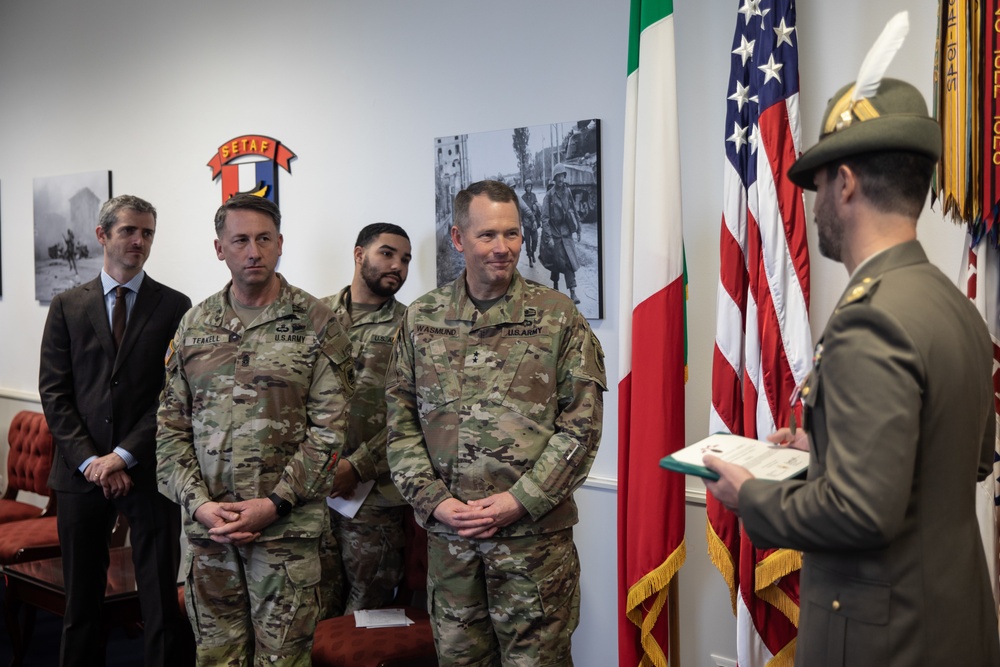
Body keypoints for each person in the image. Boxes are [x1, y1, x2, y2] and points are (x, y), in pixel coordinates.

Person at [704, 78, 1000, 667]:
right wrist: (827, 447)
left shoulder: (872, 319)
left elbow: (863, 512)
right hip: (952, 625)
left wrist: (752, 496)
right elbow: (969, 458)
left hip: (882, 641)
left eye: (816, 186)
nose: (814, 207)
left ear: (845, 183)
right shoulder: (952, 306)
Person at [386, 180, 606, 666]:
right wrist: (436, 502)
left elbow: (581, 428)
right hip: (451, 546)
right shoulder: (423, 319)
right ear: (459, 239)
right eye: (487, 235)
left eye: (513, 234)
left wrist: (519, 501)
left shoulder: (558, 316)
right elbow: (400, 424)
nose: (503, 248)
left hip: (532, 549)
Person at [156, 193, 356, 666]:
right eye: (240, 240)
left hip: (285, 538)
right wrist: (199, 505)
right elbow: (169, 430)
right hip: (210, 538)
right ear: (219, 247)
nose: (253, 251)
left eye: (264, 239)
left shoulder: (318, 324)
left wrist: (275, 503)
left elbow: (330, 432)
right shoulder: (194, 326)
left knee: (283, 661)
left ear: (280, 243)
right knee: (217, 658)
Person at [39, 194, 191, 667]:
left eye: (147, 233)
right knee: (81, 605)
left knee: (161, 603)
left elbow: (171, 396)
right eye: (129, 230)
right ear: (102, 235)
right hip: (80, 477)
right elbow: (55, 393)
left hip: (146, 473)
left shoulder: (174, 306)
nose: (139, 241)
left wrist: (122, 456)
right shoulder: (67, 305)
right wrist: (93, 462)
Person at [319, 222, 412, 615]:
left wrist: (356, 468)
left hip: (376, 500)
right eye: (387, 253)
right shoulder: (315, 315)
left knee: (366, 616)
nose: (398, 266)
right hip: (313, 494)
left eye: (405, 259)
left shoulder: (414, 326)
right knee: (311, 609)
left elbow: (417, 414)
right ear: (359, 255)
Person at [540, 163, 582, 303]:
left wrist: (579, 229)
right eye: (558, 176)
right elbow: (544, 219)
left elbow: (574, 210)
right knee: (557, 263)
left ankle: (573, 292)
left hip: (566, 233)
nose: (561, 179)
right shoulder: (549, 196)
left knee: (569, 262)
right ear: (554, 178)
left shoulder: (568, 191)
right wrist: (549, 238)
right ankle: (555, 284)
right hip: (555, 234)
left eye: (562, 176)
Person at [520, 179, 541, 267]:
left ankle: (533, 253)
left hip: (533, 223)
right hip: (526, 224)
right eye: (527, 186)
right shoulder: (523, 198)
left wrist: (537, 206)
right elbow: (521, 210)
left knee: (535, 240)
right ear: (525, 188)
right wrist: (521, 221)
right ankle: (529, 259)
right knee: (528, 243)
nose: (529, 188)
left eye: (530, 186)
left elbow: (537, 205)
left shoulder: (534, 195)